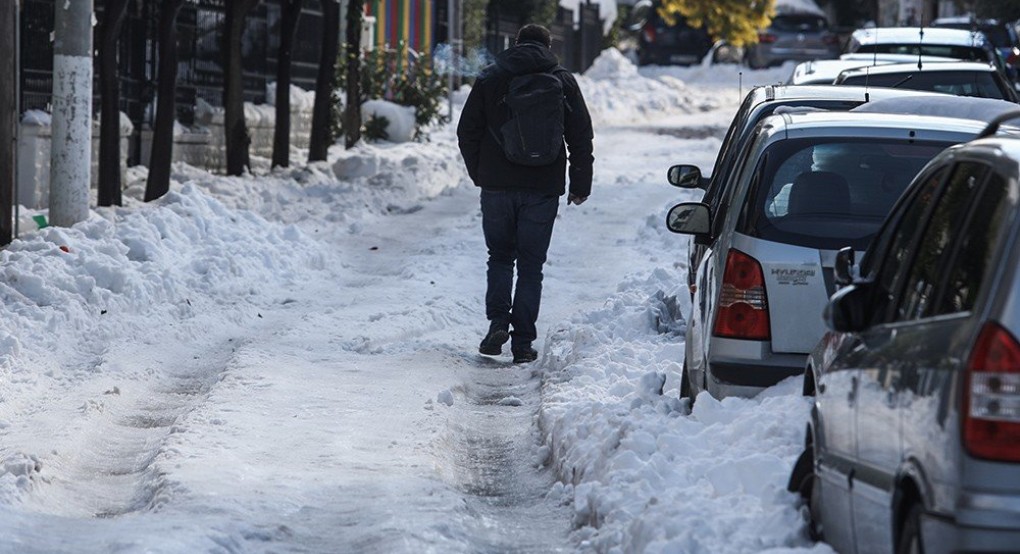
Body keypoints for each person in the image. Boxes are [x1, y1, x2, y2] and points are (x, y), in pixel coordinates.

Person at [456, 23, 594, 364]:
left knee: (500, 257)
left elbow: (467, 130)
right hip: (543, 186)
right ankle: (522, 342)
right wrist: (580, 184)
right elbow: (580, 137)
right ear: (549, 46)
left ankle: (497, 323)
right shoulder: (562, 80)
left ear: (515, 43)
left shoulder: (491, 76)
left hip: (498, 186)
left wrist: (481, 173)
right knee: (532, 266)